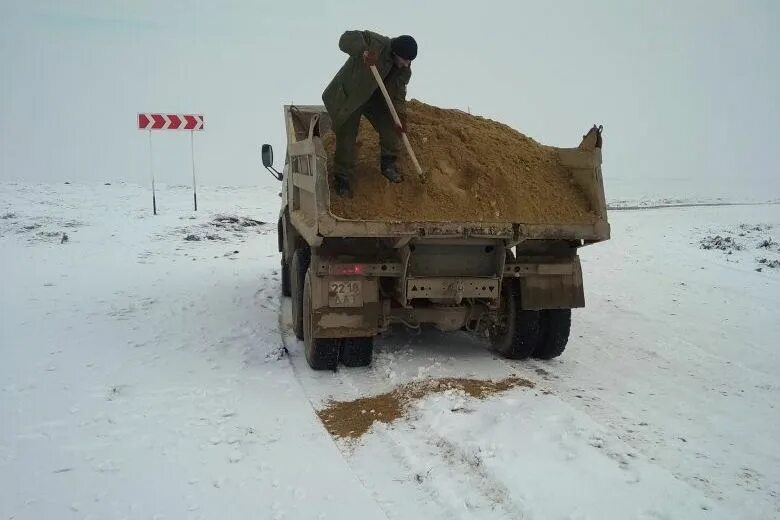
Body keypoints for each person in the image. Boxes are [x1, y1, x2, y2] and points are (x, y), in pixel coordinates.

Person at [322, 30, 418, 197]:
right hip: (351, 96)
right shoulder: (375, 43)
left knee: (391, 128)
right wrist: (363, 51)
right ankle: (343, 179)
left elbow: (399, 93)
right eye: (404, 60)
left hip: (374, 99)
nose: (406, 65)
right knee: (347, 137)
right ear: (396, 53)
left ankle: (388, 164)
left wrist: (400, 116)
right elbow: (344, 39)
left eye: (409, 62)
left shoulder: (404, 70)